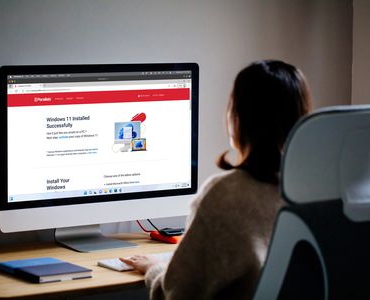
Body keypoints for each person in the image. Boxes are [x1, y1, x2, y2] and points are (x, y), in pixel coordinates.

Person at [121, 60, 312, 300]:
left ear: (237, 117)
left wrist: (155, 269)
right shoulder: (316, 192)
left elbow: (176, 295)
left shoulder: (226, 196)